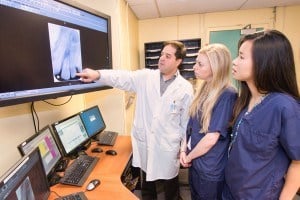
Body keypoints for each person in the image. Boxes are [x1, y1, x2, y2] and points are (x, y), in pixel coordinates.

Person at [76, 41, 194, 200]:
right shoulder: (146, 77)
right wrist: (98, 75)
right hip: (145, 141)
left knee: (170, 188)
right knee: (147, 185)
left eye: (168, 56)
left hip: (167, 145)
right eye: (161, 55)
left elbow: (186, 122)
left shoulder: (185, 88)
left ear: (178, 61)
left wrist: (183, 149)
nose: (162, 59)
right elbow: (122, 77)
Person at [223, 30, 300, 199]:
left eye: (242, 57)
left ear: (265, 62)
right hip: (231, 191)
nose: (234, 62)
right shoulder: (246, 100)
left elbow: (298, 162)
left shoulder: (284, 106)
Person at [180, 44, 237, 200]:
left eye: (200, 64)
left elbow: (212, 138)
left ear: (215, 67)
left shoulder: (227, 94)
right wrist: (183, 150)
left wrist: (189, 156)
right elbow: (190, 126)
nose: (194, 67)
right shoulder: (203, 89)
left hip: (210, 169)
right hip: (195, 163)